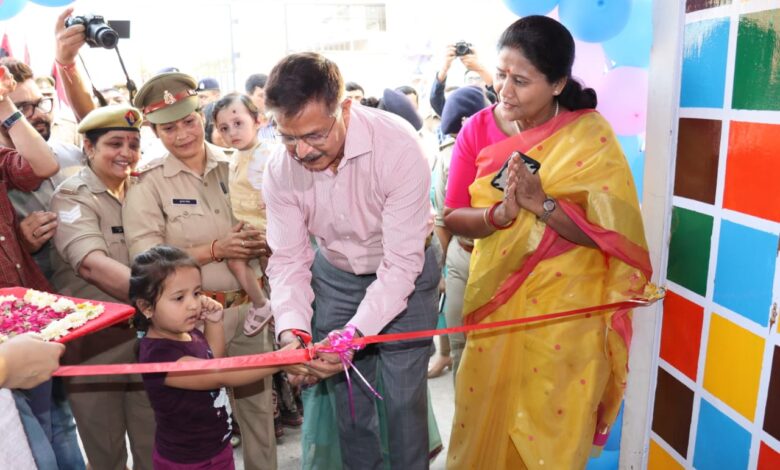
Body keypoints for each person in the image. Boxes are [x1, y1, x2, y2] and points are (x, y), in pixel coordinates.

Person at [443, 16, 651, 468]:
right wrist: (498, 216)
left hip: (567, 314)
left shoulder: (589, 136)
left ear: (557, 83)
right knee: (483, 416)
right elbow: (454, 214)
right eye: (500, 74)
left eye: (521, 80)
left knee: (551, 429)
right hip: (497, 303)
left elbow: (610, 235)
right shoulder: (478, 128)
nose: (505, 89)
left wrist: (544, 206)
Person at [263, 52, 439, 470]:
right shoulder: (280, 168)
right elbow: (288, 259)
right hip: (337, 276)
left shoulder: (397, 147)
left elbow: (399, 268)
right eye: (288, 137)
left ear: (345, 107)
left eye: (314, 135)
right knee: (348, 401)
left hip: (406, 279)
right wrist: (293, 334)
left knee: (402, 402)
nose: (301, 151)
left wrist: (350, 337)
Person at [123, 71, 277, 470]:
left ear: (201, 116)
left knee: (261, 417)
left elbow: (274, 222)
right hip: (189, 322)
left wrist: (265, 243)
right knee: (200, 420)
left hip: (250, 309)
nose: (183, 134)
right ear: (155, 131)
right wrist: (214, 250)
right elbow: (145, 259)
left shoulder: (240, 162)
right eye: (169, 127)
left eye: (189, 121)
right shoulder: (147, 183)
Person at [49, 104, 156, 470]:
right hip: (96, 348)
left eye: (133, 143)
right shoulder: (72, 195)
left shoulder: (144, 188)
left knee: (154, 446)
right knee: (107, 454)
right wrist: (160, 302)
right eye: (115, 143)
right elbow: (92, 265)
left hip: (150, 340)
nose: (126, 153)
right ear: (89, 147)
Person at [130, 245, 295, 469]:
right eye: (179, 297)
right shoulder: (157, 355)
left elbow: (212, 359)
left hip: (218, 448)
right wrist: (281, 359)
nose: (193, 304)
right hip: (186, 462)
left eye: (197, 293)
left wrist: (214, 321)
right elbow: (219, 374)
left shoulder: (186, 333)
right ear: (146, 307)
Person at [427, 85, 489, 380]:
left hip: (498, 259)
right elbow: (442, 220)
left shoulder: (509, 149)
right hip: (461, 257)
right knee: (459, 343)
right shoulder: (447, 157)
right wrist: (440, 274)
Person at [429, 43, 496, 117]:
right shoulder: (457, 109)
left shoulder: (492, 108)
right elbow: (436, 100)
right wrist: (444, 68)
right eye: (470, 79)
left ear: (485, 83)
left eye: (478, 78)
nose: (474, 83)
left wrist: (480, 69)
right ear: (464, 83)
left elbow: (499, 97)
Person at [245, 73, 275, 142]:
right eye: (261, 96)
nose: (267, 100)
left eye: (269, 95)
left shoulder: (280, 122)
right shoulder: (244, 125)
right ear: (248, 97)